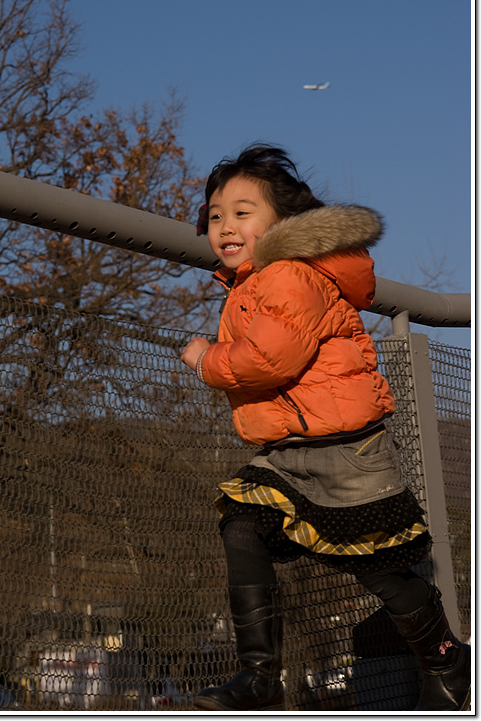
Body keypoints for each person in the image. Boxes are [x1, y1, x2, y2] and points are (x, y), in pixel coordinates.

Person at [180, 143, 470, 712]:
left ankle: (445, 659)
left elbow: (271, 360)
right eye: (216, 216)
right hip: (287, 452)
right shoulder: (253, 283)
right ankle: (259, 675)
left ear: (285, 224)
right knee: (241, 523)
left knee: (381, 572)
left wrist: (204, 359)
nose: (225, 227)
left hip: (344, 453)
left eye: (243, 212)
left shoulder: (289, 274)